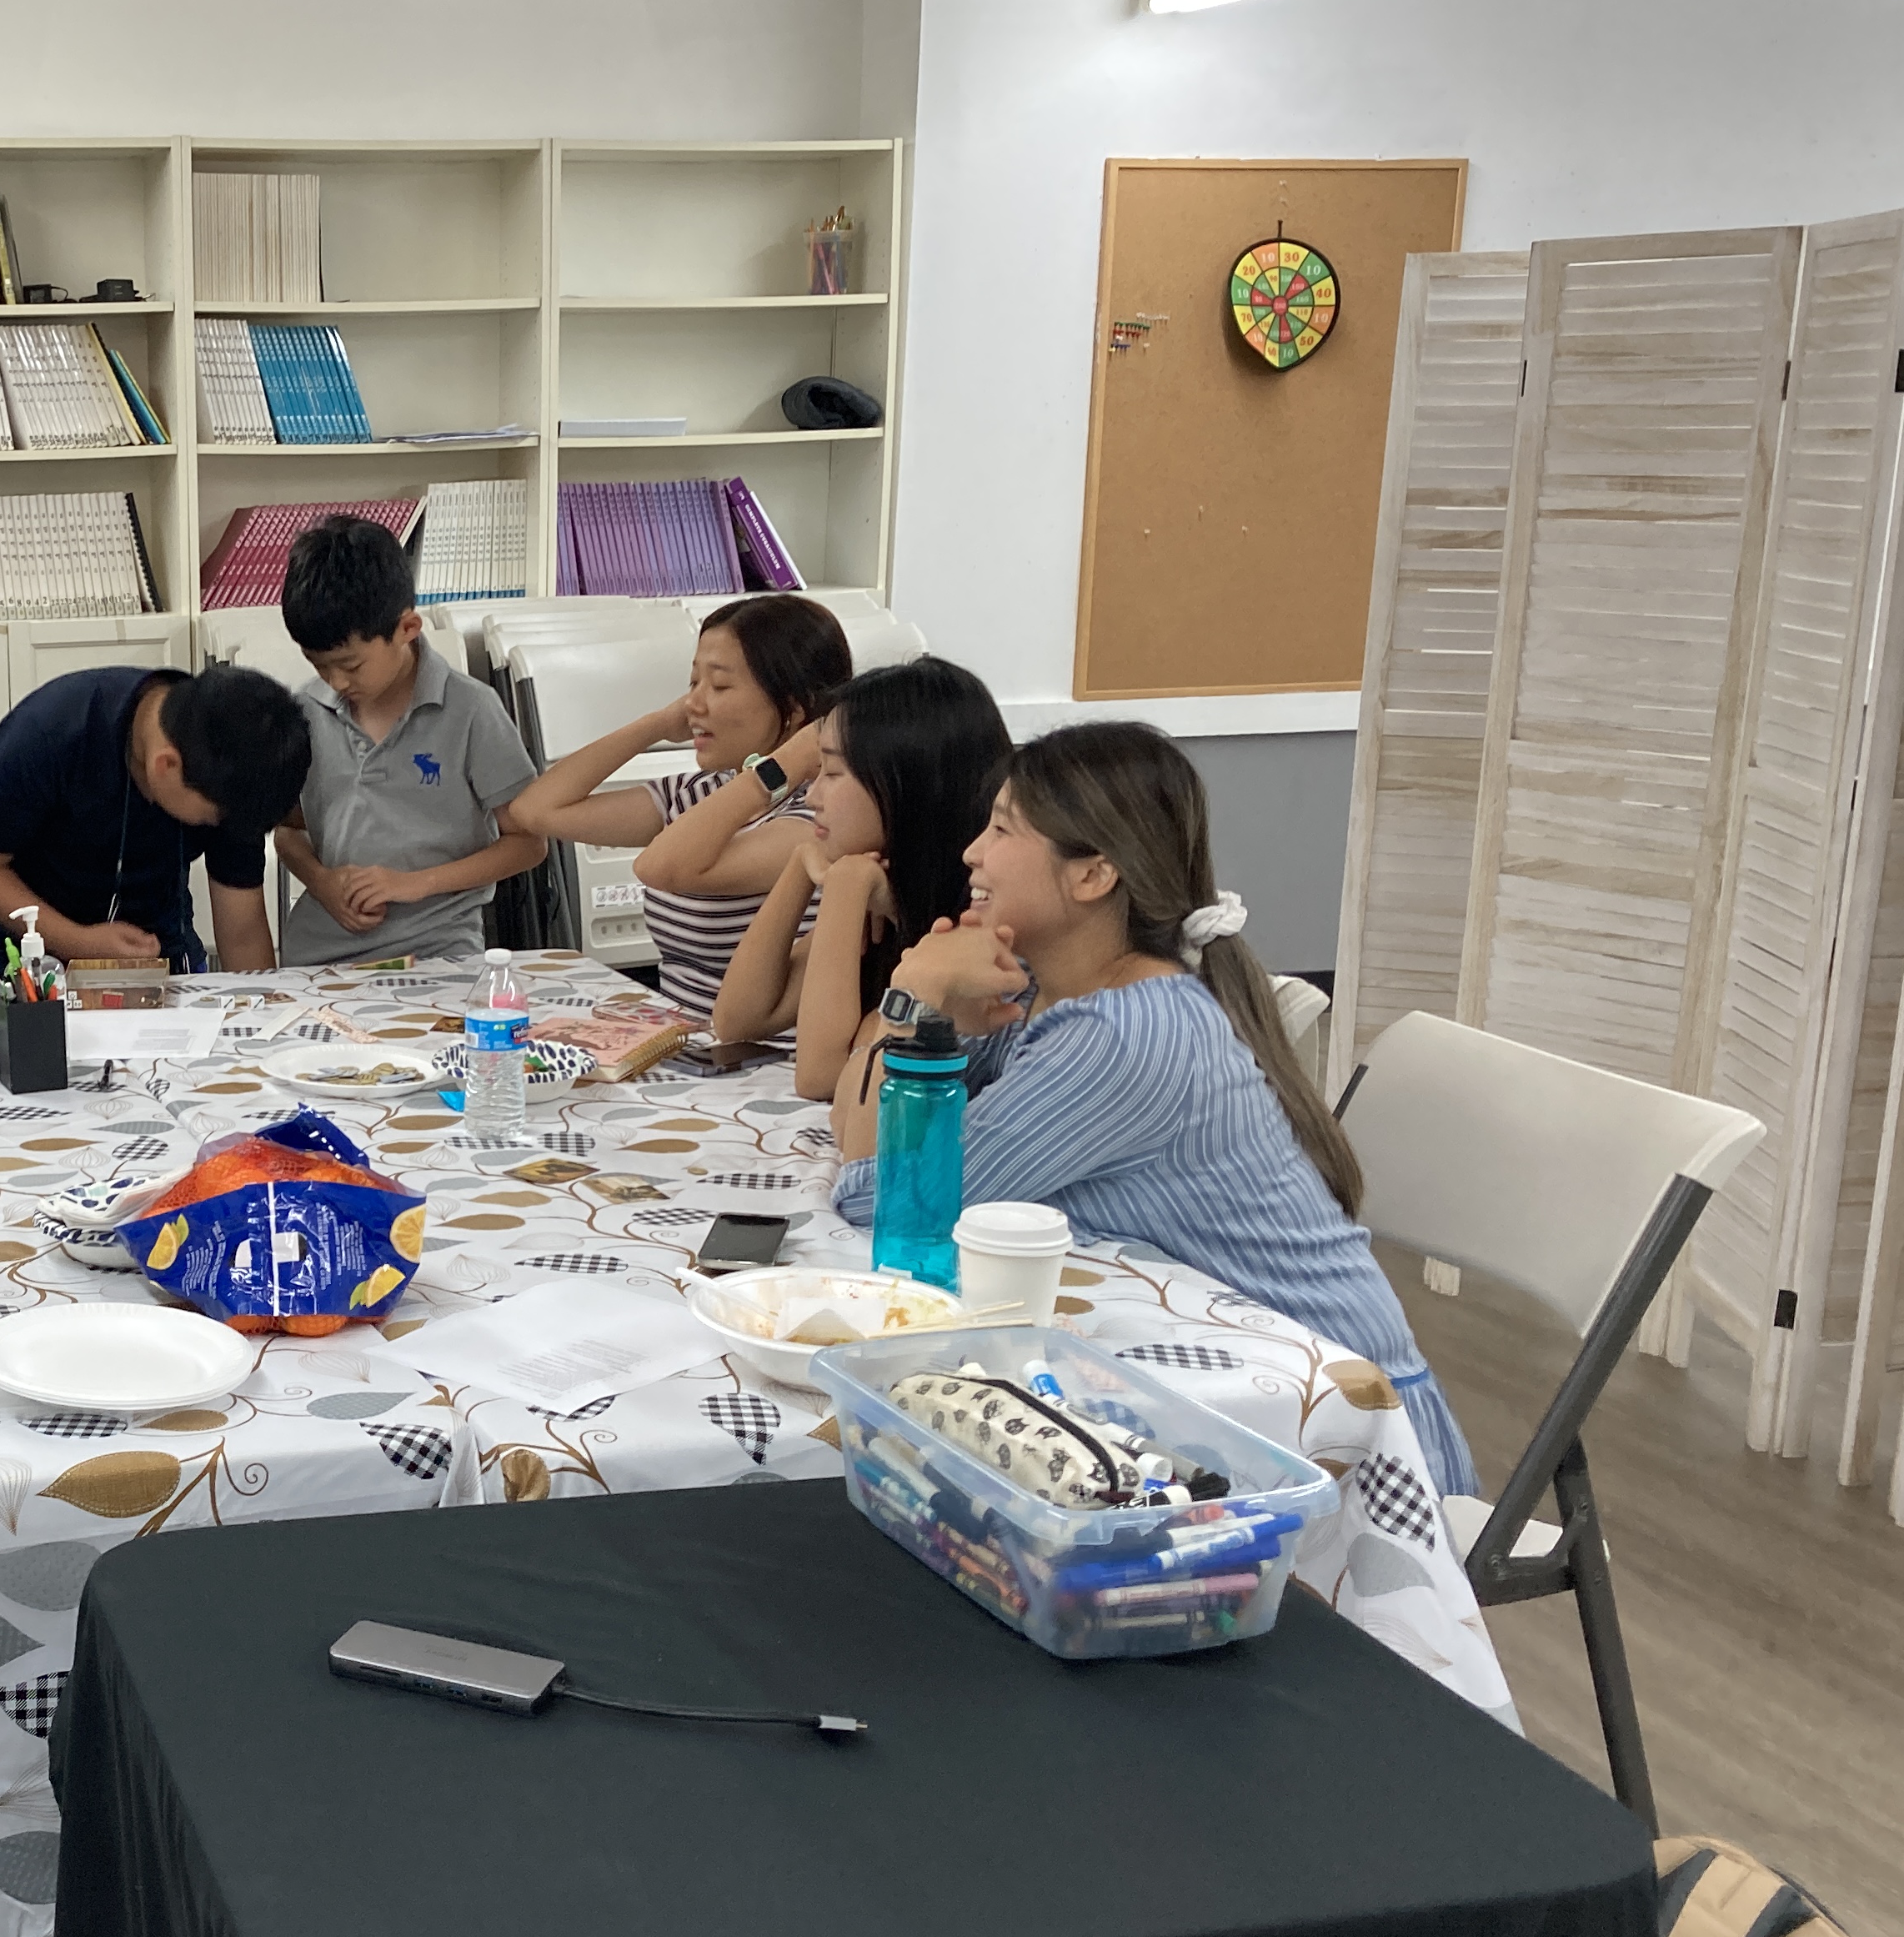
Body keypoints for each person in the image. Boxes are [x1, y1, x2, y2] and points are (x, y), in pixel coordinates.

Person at [832, 719, 1478, 1497]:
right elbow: (855, 1132)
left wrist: (912, 996)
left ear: (1093, 874)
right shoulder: (1050, 995)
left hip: (1336, 1442)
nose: (972, 852)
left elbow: (883, 1198)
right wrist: (933, 1021)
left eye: (1002, 829)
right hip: (1221, 1392)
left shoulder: (1124, 1037)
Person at [497, 593, 853, 1021]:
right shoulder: (703, 791)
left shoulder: (819, 817)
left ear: (794, 709)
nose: (693, 704)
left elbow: (662, 868)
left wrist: (784, 766)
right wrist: (658, 725)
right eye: (692, 683)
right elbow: (536, 811)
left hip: (761, 1054)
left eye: (719, 686)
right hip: (687, 1044)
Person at [709, 655, 1010, 1097]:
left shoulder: (972, 919)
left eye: (833, 773)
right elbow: (738, 1021)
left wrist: (846, 887)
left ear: (911, 782)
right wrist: (800, 865)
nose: (812, 796)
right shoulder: (886, 886)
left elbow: (820, 1077)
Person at [268, 514, 544, 966]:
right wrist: (322, 883)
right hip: (322, 952)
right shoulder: (305, 712)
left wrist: (415, 884)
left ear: (408, 629)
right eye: (318, 665)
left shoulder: (472, 710)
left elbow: (528, 843)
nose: (336, 682)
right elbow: (289, 831)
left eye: (351, 666)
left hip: (439, 950)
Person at [0, 660, 309, 973]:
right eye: (212, 819)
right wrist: (78, 942)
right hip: (31, 959)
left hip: (154, 951)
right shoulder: (50, 733)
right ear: (166, 766)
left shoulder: (238, 765)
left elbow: (242, 935)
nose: (218, 827)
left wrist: (260, 1015)